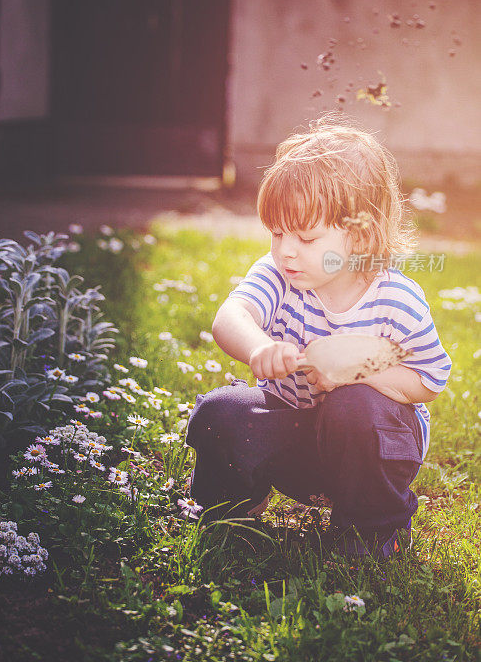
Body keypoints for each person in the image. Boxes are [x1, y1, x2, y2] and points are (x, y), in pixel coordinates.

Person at [185, 113, 452, 558]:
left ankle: (372, 528)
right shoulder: (279, 275)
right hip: (293, 431)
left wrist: (360, 374)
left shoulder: (397, 300)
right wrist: (259, 346)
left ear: (362, 239)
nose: (286, 249)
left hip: (369, 448)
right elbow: (231, 315)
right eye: (276, 233)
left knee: (357, 406)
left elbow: (429, 380)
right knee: (222, 411)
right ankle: (235, 507)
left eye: (306, 237)